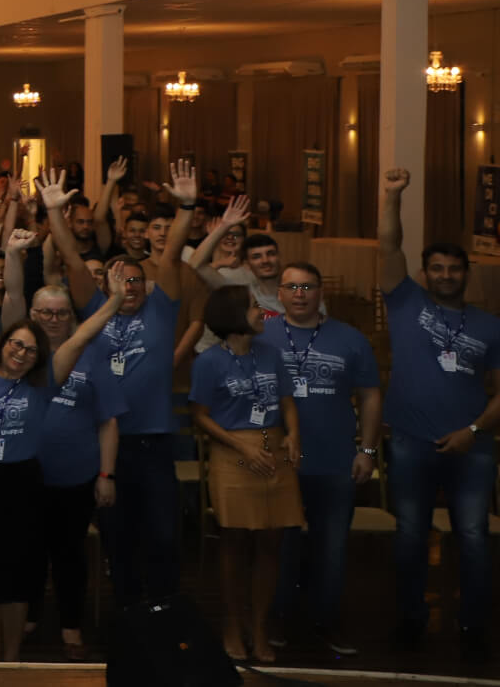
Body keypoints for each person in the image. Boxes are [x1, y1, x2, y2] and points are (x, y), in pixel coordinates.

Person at [0, 203, 122, 662]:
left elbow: (78, 338)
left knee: (17, 574)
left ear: (37, 360)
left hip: (22, 483)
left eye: (29, 350)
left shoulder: (42, 383)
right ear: (4, 342)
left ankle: (10, 656)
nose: (20, 351)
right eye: (15, 342)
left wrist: (110, 301)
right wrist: (2, 251)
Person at [43, 162, 197, 608]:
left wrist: (186, 205)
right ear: (106, 283)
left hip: (151, 443)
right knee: (118, 537)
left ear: (147, 286)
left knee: (164, 534)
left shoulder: (161, 311)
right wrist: (55, 211)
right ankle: (129, 615)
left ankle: (165, 613)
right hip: (103, 446)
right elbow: (71, 257)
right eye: (118, 279)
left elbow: (171, 255)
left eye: (134, 280)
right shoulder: (95, 309)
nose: (127, 286)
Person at [377, 168, 500, 661]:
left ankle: (473, 625)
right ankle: (411, 619)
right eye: (435, 268)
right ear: (423, 273)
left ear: (466, 274)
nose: (444, 276)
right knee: (410, 535)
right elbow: (389, 245)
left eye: (453, 269)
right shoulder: (404, 302)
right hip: (410, 442)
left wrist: (474, 430)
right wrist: (392, 196)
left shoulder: (491, 326)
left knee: (474, 537)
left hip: (472, 446)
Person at [257, 261, 378, 658]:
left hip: (335, 461)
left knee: (332, 548)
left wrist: (368, 450)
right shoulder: (261, 335)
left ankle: (327, 622)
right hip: (277, 462)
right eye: (291, 287)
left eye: (308, 287)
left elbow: (370, 395)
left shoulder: (351, 338)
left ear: (320, 292)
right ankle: (276, 618)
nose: (300, 295)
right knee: (279, 548)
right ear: (279, 293)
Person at [189, 284, 301, 664]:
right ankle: (232, 627)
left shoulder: (271, 353)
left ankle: (259, 627)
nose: (262, 312)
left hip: (274, 451)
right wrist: (242, 445)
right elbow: (200, 415)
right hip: (233, 453)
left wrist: (293, 433)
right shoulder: (207, 362)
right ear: (233, 317)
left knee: (271, 545)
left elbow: (286, 400)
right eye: (254, 306)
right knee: (234, 546)